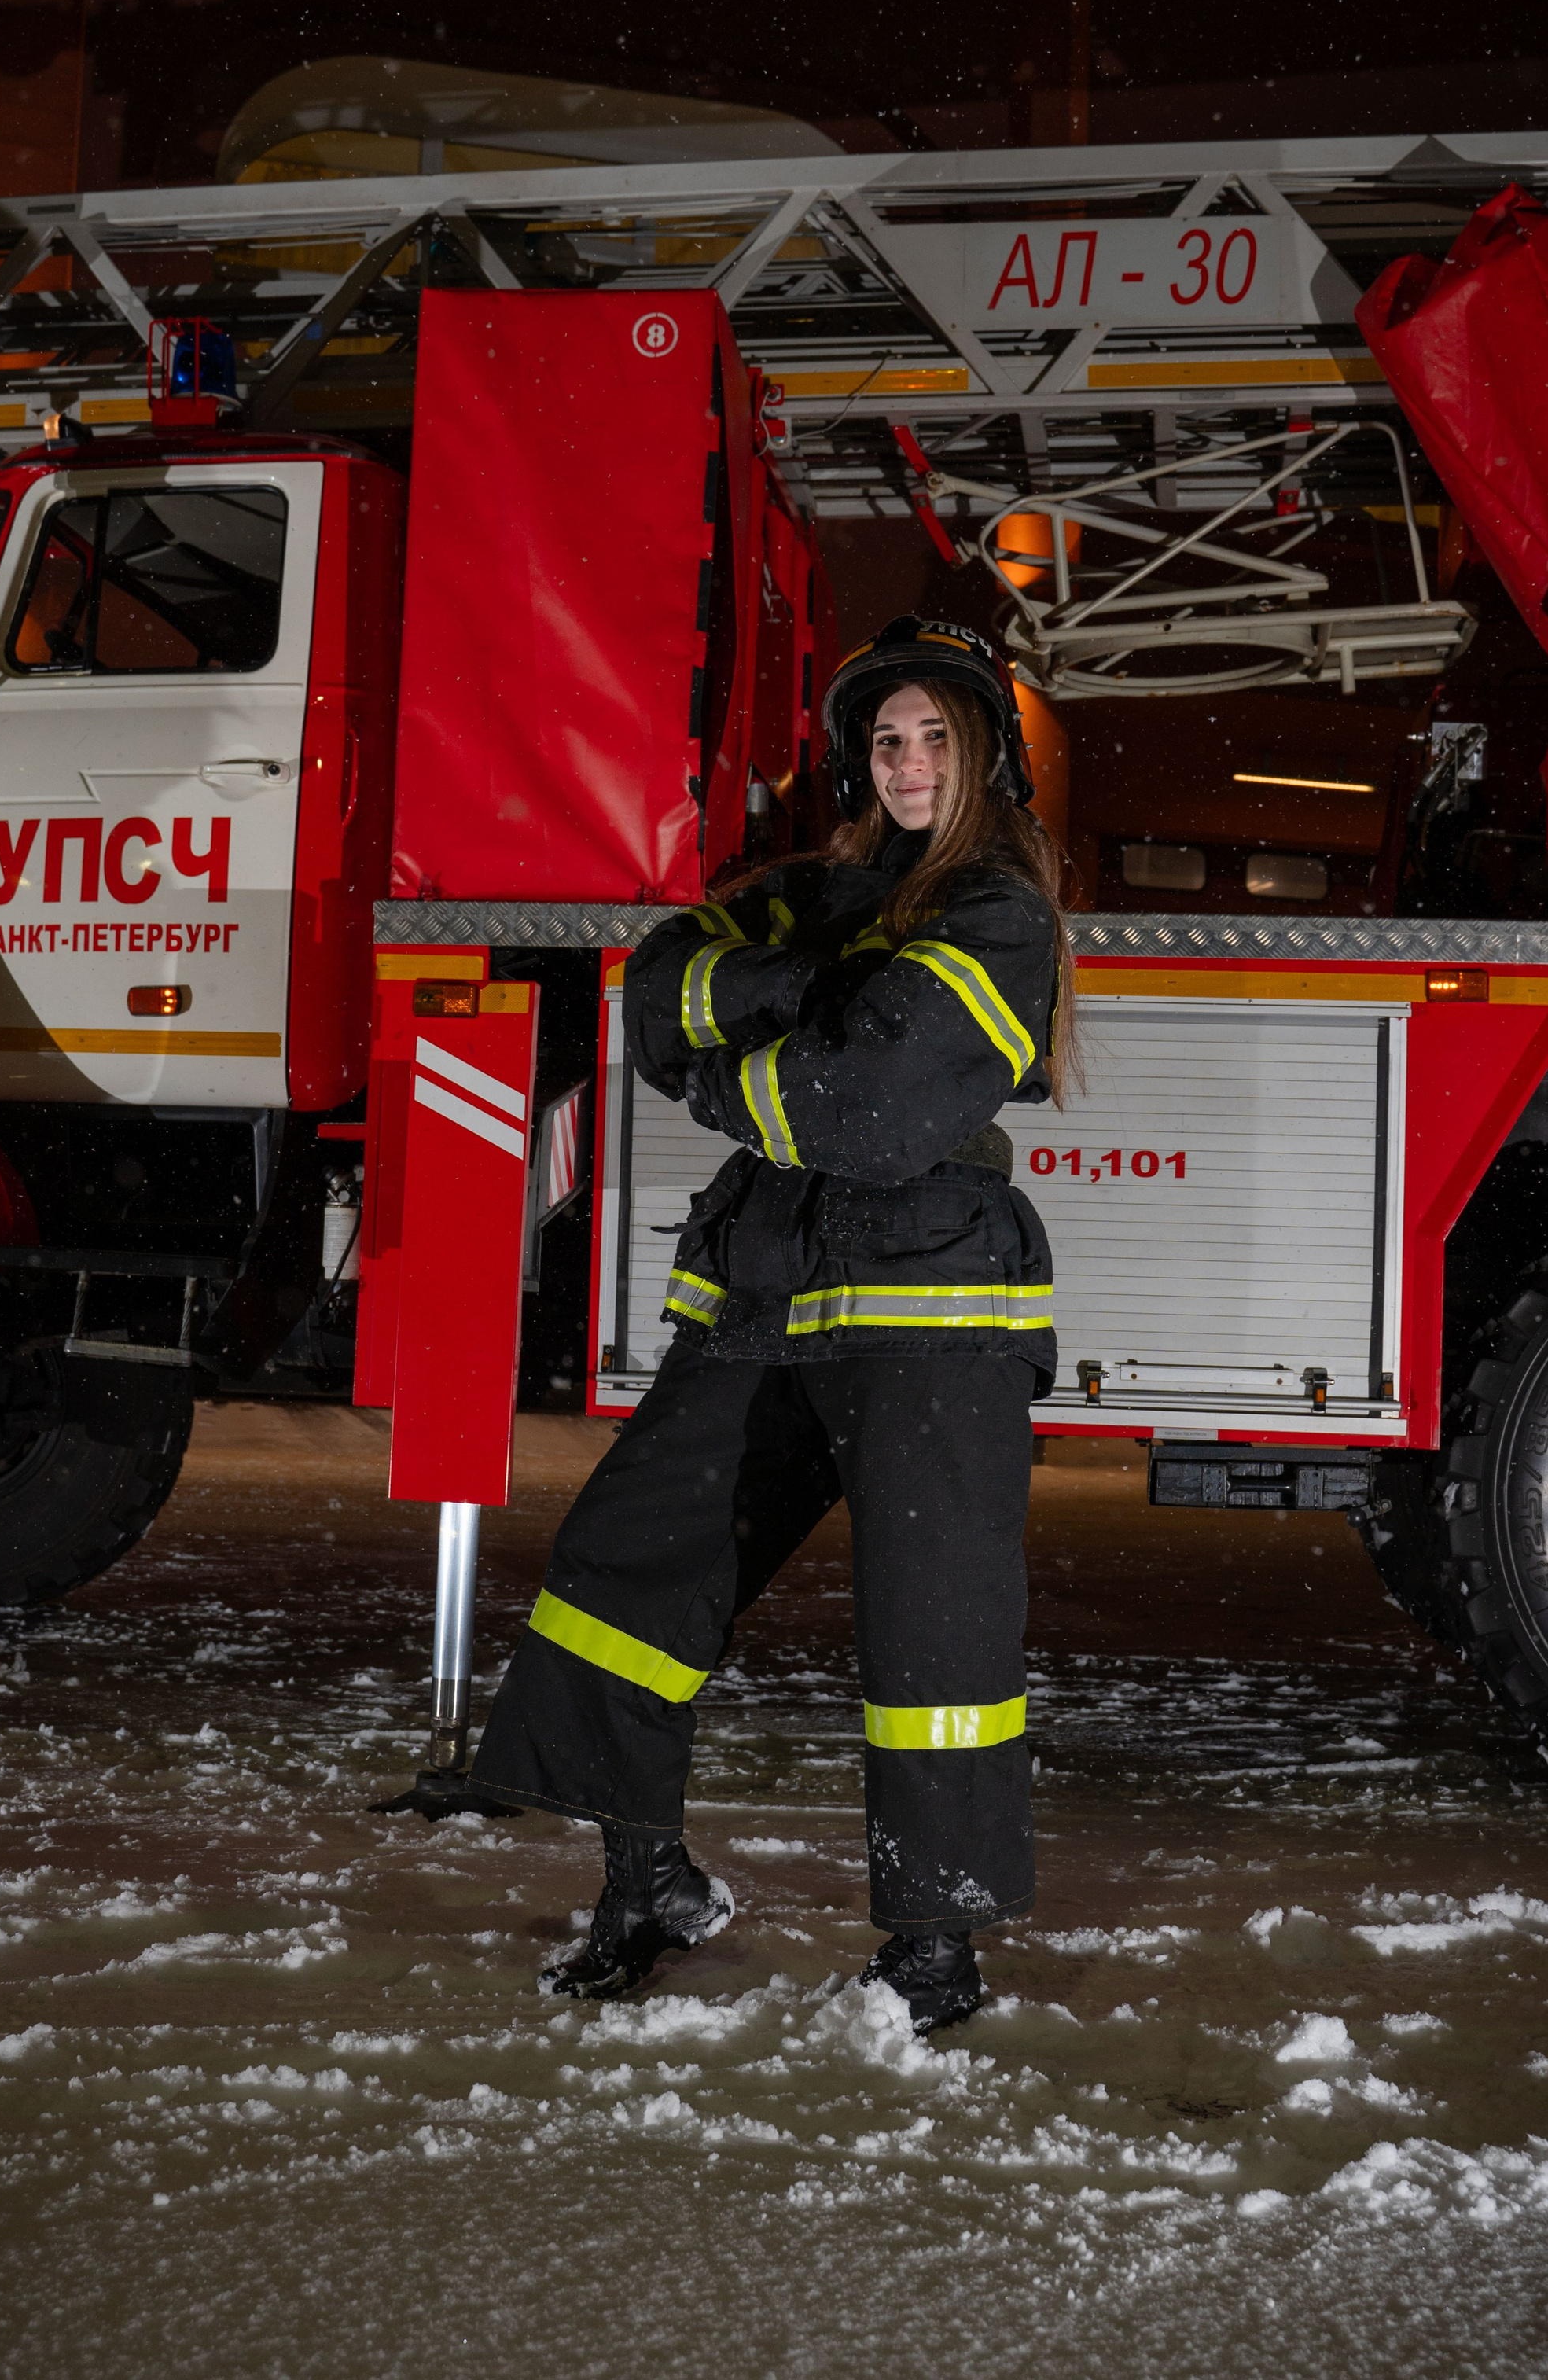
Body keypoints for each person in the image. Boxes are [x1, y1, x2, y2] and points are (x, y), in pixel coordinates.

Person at [468, 616, 1070, 2033]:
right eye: (886, 741)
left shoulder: (999, 912)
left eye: (934, 737)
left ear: (979, 753)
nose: (909, 763)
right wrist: (818, 999)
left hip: (931, 1298)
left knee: (936, 1639)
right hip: (767, 1281)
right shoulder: (828, 896)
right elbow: (656, 985)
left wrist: (748, 1060)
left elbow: (874, 1110)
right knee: (628, 1567)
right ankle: (645, 1877)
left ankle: (936, 1947)